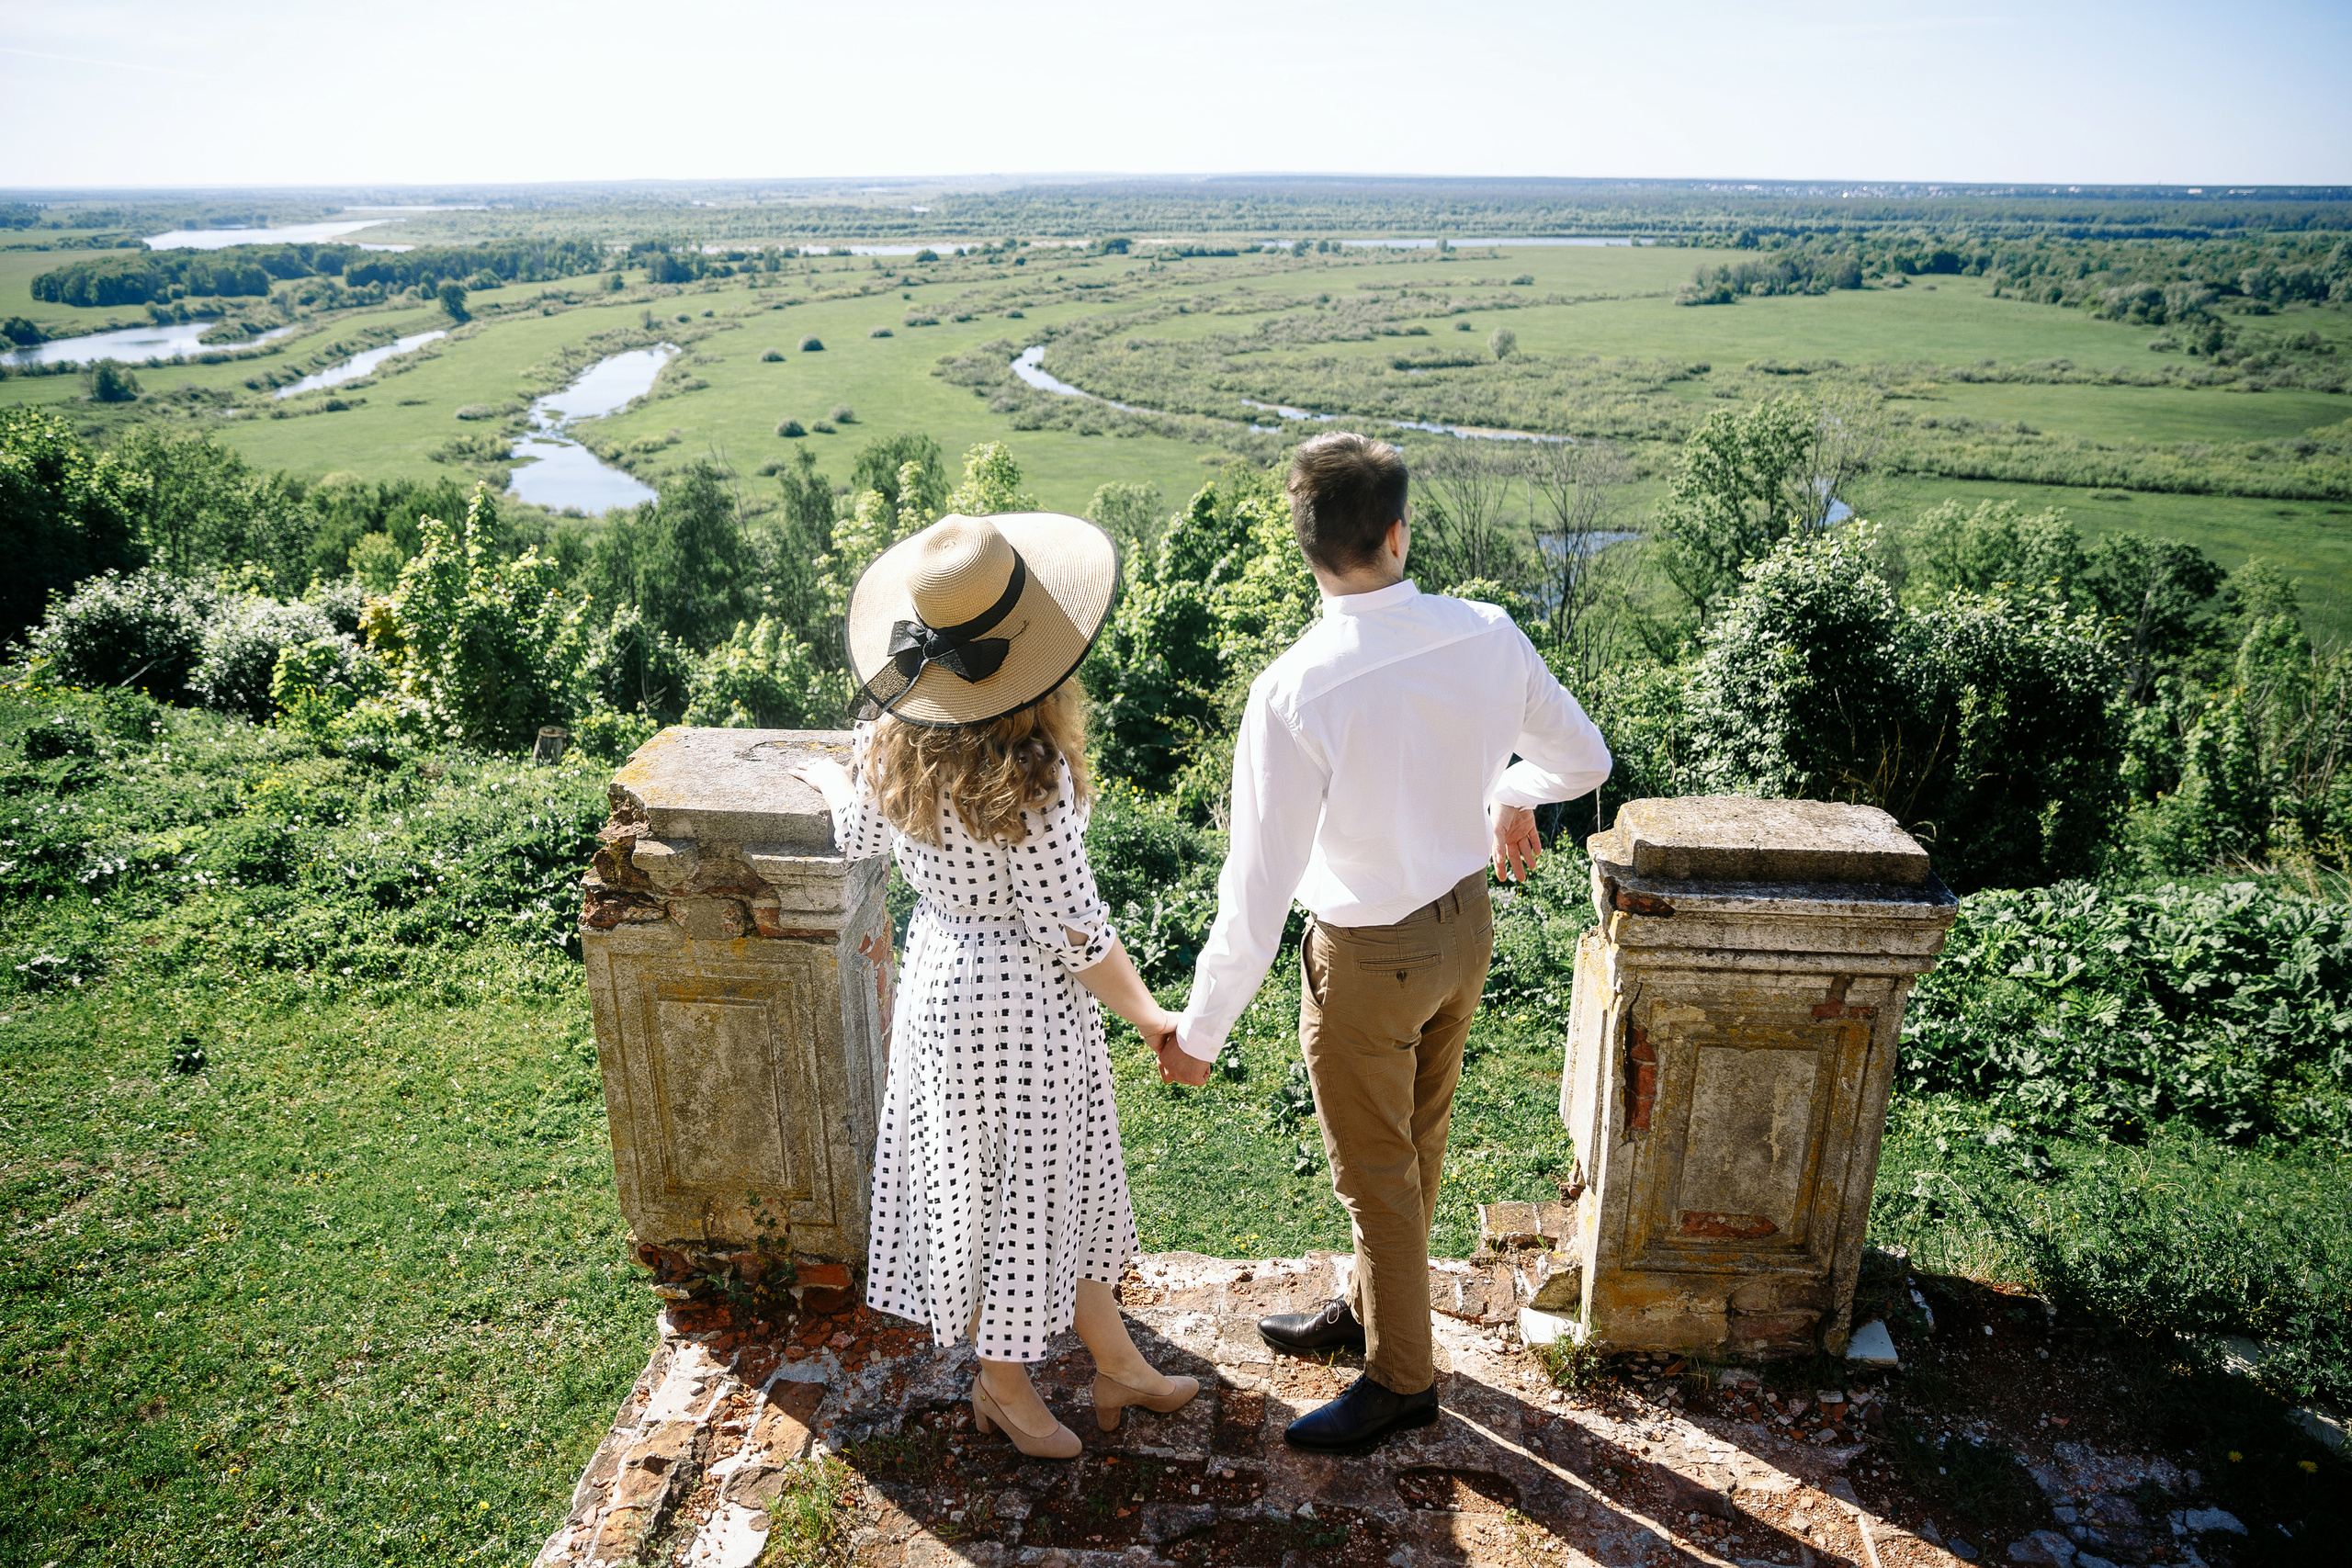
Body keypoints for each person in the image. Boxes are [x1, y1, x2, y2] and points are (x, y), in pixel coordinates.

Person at [1156, 433, 1611, 1452]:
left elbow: (1258, 885)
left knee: (1376, 1173)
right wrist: (1509, 790)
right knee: (1413, 1147)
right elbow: (1582, 759)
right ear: (1399, 534)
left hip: (1364, 959)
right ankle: (1370, 1306)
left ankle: (1402, 1377)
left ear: (1306, 549)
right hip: (1462, 929)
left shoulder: (1293, 688)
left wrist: (1201, 1028)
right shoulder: (1487, 632)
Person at [791, 512, 1200, 1461]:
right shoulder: (1033, 772)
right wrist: (1148, 1017)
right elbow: (1070, 927)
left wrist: (826, 777)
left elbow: (859, 838)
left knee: (1029, 1182)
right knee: (1024, 1188)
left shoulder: (890, 736)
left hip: (940, 979)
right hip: (1017, 999)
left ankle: (1115, 1361)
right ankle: (1003, 1385)